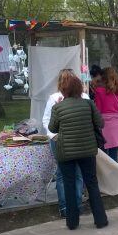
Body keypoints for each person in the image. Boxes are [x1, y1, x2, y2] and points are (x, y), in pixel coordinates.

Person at [48, 74, 108, 230]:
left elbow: (52, 128)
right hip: (87, 150)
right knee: (92, 184)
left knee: (69, 184)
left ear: (63, 90)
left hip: (66, 151)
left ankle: (72, 222)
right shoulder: (89, 104)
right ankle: (100, 220)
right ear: (79, 88)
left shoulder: (57, 107)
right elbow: (100, 123)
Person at [42, 69, 86, 217]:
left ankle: (70, 207)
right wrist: (54, 136)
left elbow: (46, 120)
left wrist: (53, 135)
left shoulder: (83, 97)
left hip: (69, 139)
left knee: (68, 173)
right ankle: (71, 206)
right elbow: (47, 120)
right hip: (65, 139)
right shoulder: (55, 98)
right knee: (71, 173)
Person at [93, 67, 118, 161]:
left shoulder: (99, 91)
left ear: (103, 77)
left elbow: (98, 110)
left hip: (104, 125)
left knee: (104, 157)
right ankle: (115, 175)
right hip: (117, 125)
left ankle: (106, 176)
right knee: (114, 155)